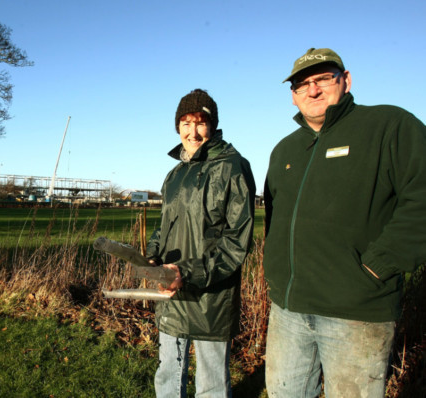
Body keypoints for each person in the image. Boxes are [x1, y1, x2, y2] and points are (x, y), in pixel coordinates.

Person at [263, 48, 426, 398]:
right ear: (293, 97)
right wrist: (275, 275)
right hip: (289, 312)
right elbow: (274, 219)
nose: (313, 90)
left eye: (323, 79)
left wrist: (379, 265)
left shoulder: (388, 126)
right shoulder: (284, 151)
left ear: (346, 80)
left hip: (356, 311)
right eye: (302, 84)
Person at [146, 89, 256, 397]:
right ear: (177, 126)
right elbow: (164, 226)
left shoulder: (233, 167)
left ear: (213, 126)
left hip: (211, 296)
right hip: (172, 292)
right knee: (168, 374)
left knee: (212, 383)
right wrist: (152, 258)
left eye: (200, 122)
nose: (192, 132)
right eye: (185, 122)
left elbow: (237, 240)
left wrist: (189, 273)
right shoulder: (175, 174)